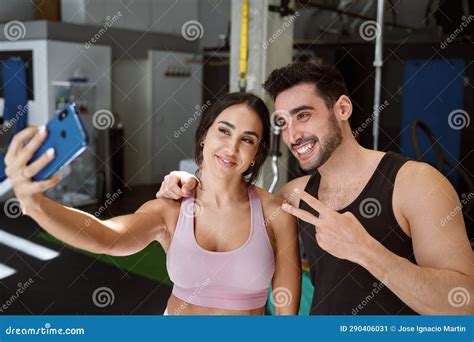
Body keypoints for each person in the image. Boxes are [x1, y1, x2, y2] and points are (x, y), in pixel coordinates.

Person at [157, 62, 474, 315]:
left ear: (343, 109)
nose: (293, 135)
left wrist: (365, 249)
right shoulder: (293, 196)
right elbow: (230, 200)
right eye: (283, 123)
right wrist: (188, 184)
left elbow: (464, 306)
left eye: (304, 116)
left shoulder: (416, 184)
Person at [4, 93, 301, 315]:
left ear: (256, 154)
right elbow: (106, 237)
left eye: (247, 140)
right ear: (204, 136)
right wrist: (35, 204)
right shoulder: (171, 208)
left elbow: (289, 318)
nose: (231, 147)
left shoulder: (275, 213)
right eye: (224, 131)